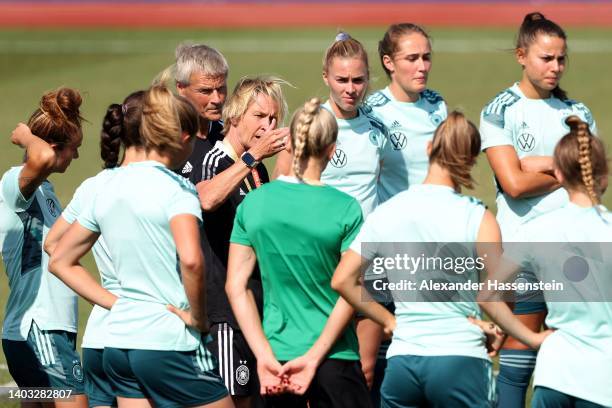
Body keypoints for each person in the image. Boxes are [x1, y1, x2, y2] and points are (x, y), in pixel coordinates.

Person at [48, 85, 232, 408]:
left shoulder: (104, 185)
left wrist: (117, 304)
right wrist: (200, 319)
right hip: (169, 340)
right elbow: (192, 261)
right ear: (183, 138)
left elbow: (59, 258)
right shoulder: (178, 189)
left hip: (117, 344)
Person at [332, 112, 503, 408]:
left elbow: (342, 280)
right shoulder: (478, 216)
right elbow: (499, 293)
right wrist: (497, 330)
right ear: (471, 161)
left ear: (428, 149)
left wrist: (389, 321)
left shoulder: (388, 212)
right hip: (460, 357)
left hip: (403, 362)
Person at [479, 12, 597, 408]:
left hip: (574, 253)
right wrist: (567, 169)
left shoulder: (578, 111)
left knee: (579, 353)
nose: (555, 67)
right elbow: (513, 184)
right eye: (546, 58)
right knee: (518, 360)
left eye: (561, 58)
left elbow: (592, 176)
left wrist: (537, 163)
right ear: (521, 56)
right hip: (524, 252)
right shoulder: (500, 109)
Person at [226, 97, 371, 408]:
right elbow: (353, 291)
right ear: (332, 150)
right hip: (335, 358)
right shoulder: (346, 209)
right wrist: (315, 357)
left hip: (276, 361)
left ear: (288, 143)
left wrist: (263, 357)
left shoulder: (255, 202)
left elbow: (235, 286)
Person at [479, 116, 611, 408]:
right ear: (605, 175)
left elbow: (488, 296)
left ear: (559, 175)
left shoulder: (537, 231)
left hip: (554, 375)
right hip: (604, 382)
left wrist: (532, 338)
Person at [43, 91, 147, 408]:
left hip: (99, 339)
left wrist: (109, 300)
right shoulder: (160, 186)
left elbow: (53, 244)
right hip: (143, 337)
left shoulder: (95, 185)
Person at [194, 75, 289, 407]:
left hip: (257, 309)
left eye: (274, 118)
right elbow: (205, 198)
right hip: (224, 315)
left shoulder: (258, 170)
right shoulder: (214, 160)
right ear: (234, 115)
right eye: (259, 116)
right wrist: (251, 158)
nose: (268, 124)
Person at [0, 87, 87, 408]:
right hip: (41, 330)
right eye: (73, 149)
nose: (76, 156)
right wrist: (26, 137)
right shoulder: (14, 185)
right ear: (53, 147)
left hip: (46, 332)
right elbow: (43, 156)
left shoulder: (43, 190)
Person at [367, 23, 447, 203]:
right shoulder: (372, 111)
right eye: (412, 59)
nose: (422, 67)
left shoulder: (437, 104)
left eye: (426, 57)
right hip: (394, 224)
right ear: (389, 63)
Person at [174, 42, 228, 182]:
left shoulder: (229, 135)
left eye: (221, 88)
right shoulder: (165, 139)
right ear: (181, 88)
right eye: (205, 91)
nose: (216, 99)